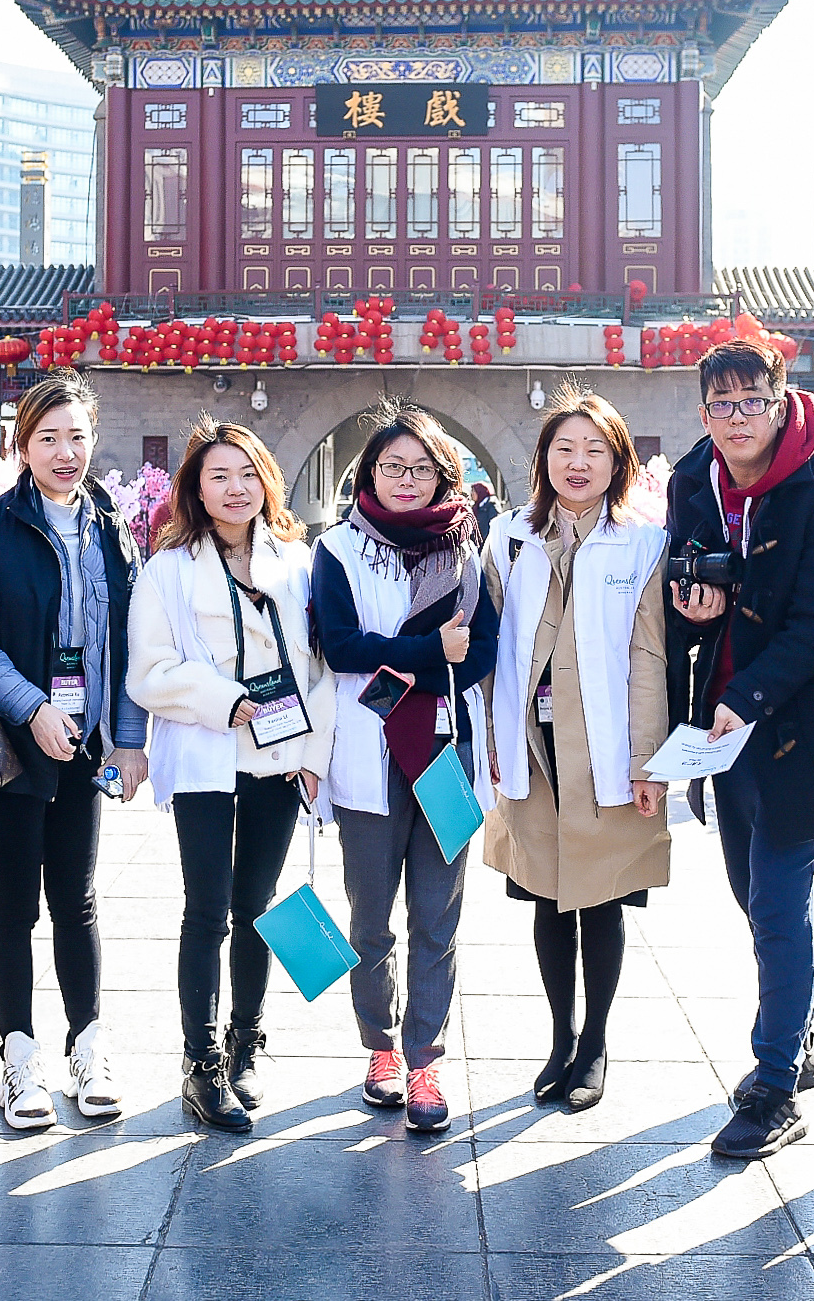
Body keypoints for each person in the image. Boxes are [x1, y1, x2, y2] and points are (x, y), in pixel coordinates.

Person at [663, 338, 814, 1161]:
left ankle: (773, 1084)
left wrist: (746, 696)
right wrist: (693, 610)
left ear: (781, 402)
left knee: (778, 903)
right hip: (721, 733)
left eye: (753, 400)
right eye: (722, 404)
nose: (738, 417)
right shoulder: (693, 481)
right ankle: (798, 1035)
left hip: (795, 730)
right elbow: (674, 598)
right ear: (703, 412)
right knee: (752, 899)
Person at [127, 420, 333, 1132]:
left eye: (246, 474)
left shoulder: (297, 564)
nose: (235, 488)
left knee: (258, 905)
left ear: (266, 480)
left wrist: (313, 754)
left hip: (278, 758)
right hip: (206, 758)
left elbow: (321, 666)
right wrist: (222, 700)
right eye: (218, 476)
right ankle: (201, 1061)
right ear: (196, 487)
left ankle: (247, 1041)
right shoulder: (167, 571)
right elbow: (148, 671)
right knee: (206, 909)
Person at [0, 370, 147, 1130]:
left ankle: (87, 1046)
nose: (65, 452)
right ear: (22, 446)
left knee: (77, 897)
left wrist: (128, 738)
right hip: (16, 747)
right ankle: (18, 1059)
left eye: (77, 436)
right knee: (12, 902)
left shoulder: (113, 528)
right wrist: (31, 707)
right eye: (48, 438)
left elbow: (132, 641)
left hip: (87, 743)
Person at [311, 402, 500, 1134]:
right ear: (370, 474)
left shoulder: (466, 549)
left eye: (421, 468)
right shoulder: (338, 550)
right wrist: (428, 655)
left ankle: (425, 1056)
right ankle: (380, 1047)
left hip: (445, 752)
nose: (407, 479)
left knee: (438, 914)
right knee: (369, 917)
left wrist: (419, 663)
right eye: (393, 466)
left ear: (443, 475)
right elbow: (341, 646)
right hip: (369, 753)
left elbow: (480, 651)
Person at [480, 393, 670, 1112]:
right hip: (531, 742)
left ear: (618, 462)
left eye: (595, 449)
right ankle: (559, 1038)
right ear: (544, 459)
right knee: (546, 893)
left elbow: (648, 657)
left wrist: (646, 759)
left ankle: (594, 1043)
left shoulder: (643, 545)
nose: (578, 462)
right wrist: (492, 740)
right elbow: (493, 651)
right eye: (564, 448)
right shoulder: (507, 538)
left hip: (604, 746)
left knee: (602, 895)